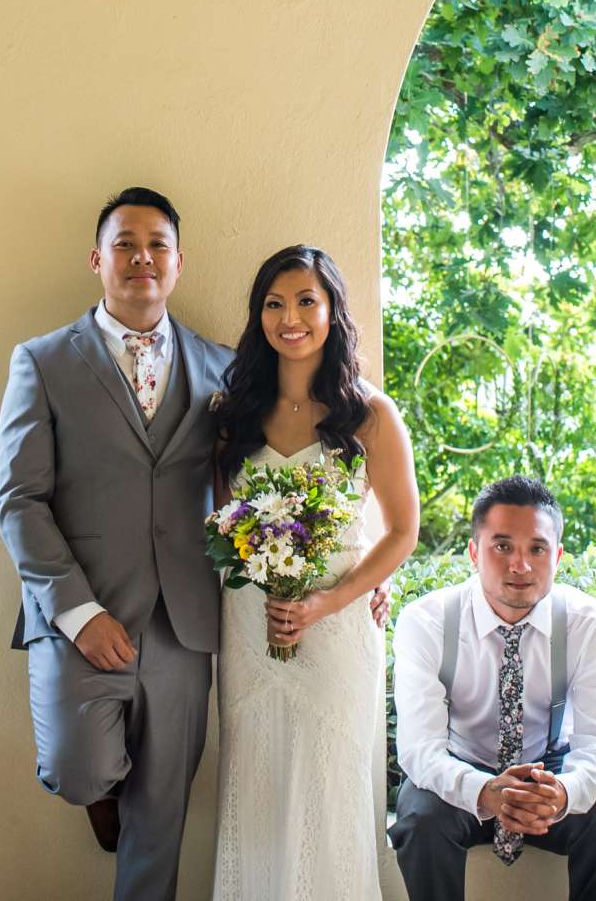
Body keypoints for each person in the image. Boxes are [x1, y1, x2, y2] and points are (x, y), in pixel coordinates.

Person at [0, 187, 233, 901]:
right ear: (98, 259)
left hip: (184, 622)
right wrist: (78, 611)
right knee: (78, 768)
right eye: (125, 243)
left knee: (162, 815)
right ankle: (106, 789)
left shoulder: (222, 367)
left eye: (157, 244)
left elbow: (267, 479)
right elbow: (18, 499)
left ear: (179, 262)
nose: (141, 258)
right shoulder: (41, 361)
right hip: (81, 615)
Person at [208, 244, 419, 901]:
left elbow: (402, 530)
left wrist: (333, 600)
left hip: (337, 630)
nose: (290, 316)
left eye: (306, 300)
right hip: (249, 626)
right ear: (258, 315)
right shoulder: (229, 413)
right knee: (258, 785)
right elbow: (216, 518)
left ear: (332, 312)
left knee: (330, 786)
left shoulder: (371, 415)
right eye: (274, 303)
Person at [390, 475, 596, 901]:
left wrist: (562, 793)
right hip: (459, 771)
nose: (520, 565)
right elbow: (420, 750)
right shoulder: (426, 622)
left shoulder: (587, 623)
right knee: (420, 816)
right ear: (473, 552)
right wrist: (484, 790)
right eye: (502, 546)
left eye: (536, 549)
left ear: (557, 555)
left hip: (548, 774)